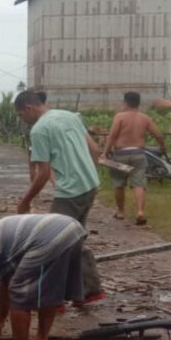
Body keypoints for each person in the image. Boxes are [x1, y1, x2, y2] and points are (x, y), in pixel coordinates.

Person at [14, 89, 104, 302]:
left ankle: (51, 300)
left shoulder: (39, 130)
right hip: (90, 185)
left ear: (29, 108)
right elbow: (95, 149)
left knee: (50, 242)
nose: (22, 119)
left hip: (71, 192)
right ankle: (88, 290)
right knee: (71, 238)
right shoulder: (70, 116)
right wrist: (85, 171)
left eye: (21, 114)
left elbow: (42, 173)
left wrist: (25, 202)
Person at [101, 92, 169, 225]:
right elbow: (159, 135)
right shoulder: (145, 118)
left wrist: (105, 153)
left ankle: (120, 212)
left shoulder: (119, 117)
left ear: (125, 102)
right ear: (138, 103)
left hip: (120, 155)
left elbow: (112, 136)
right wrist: (162, 147)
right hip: (138, 154)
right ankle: (140, 212)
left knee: (119, 183)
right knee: (139, 183)